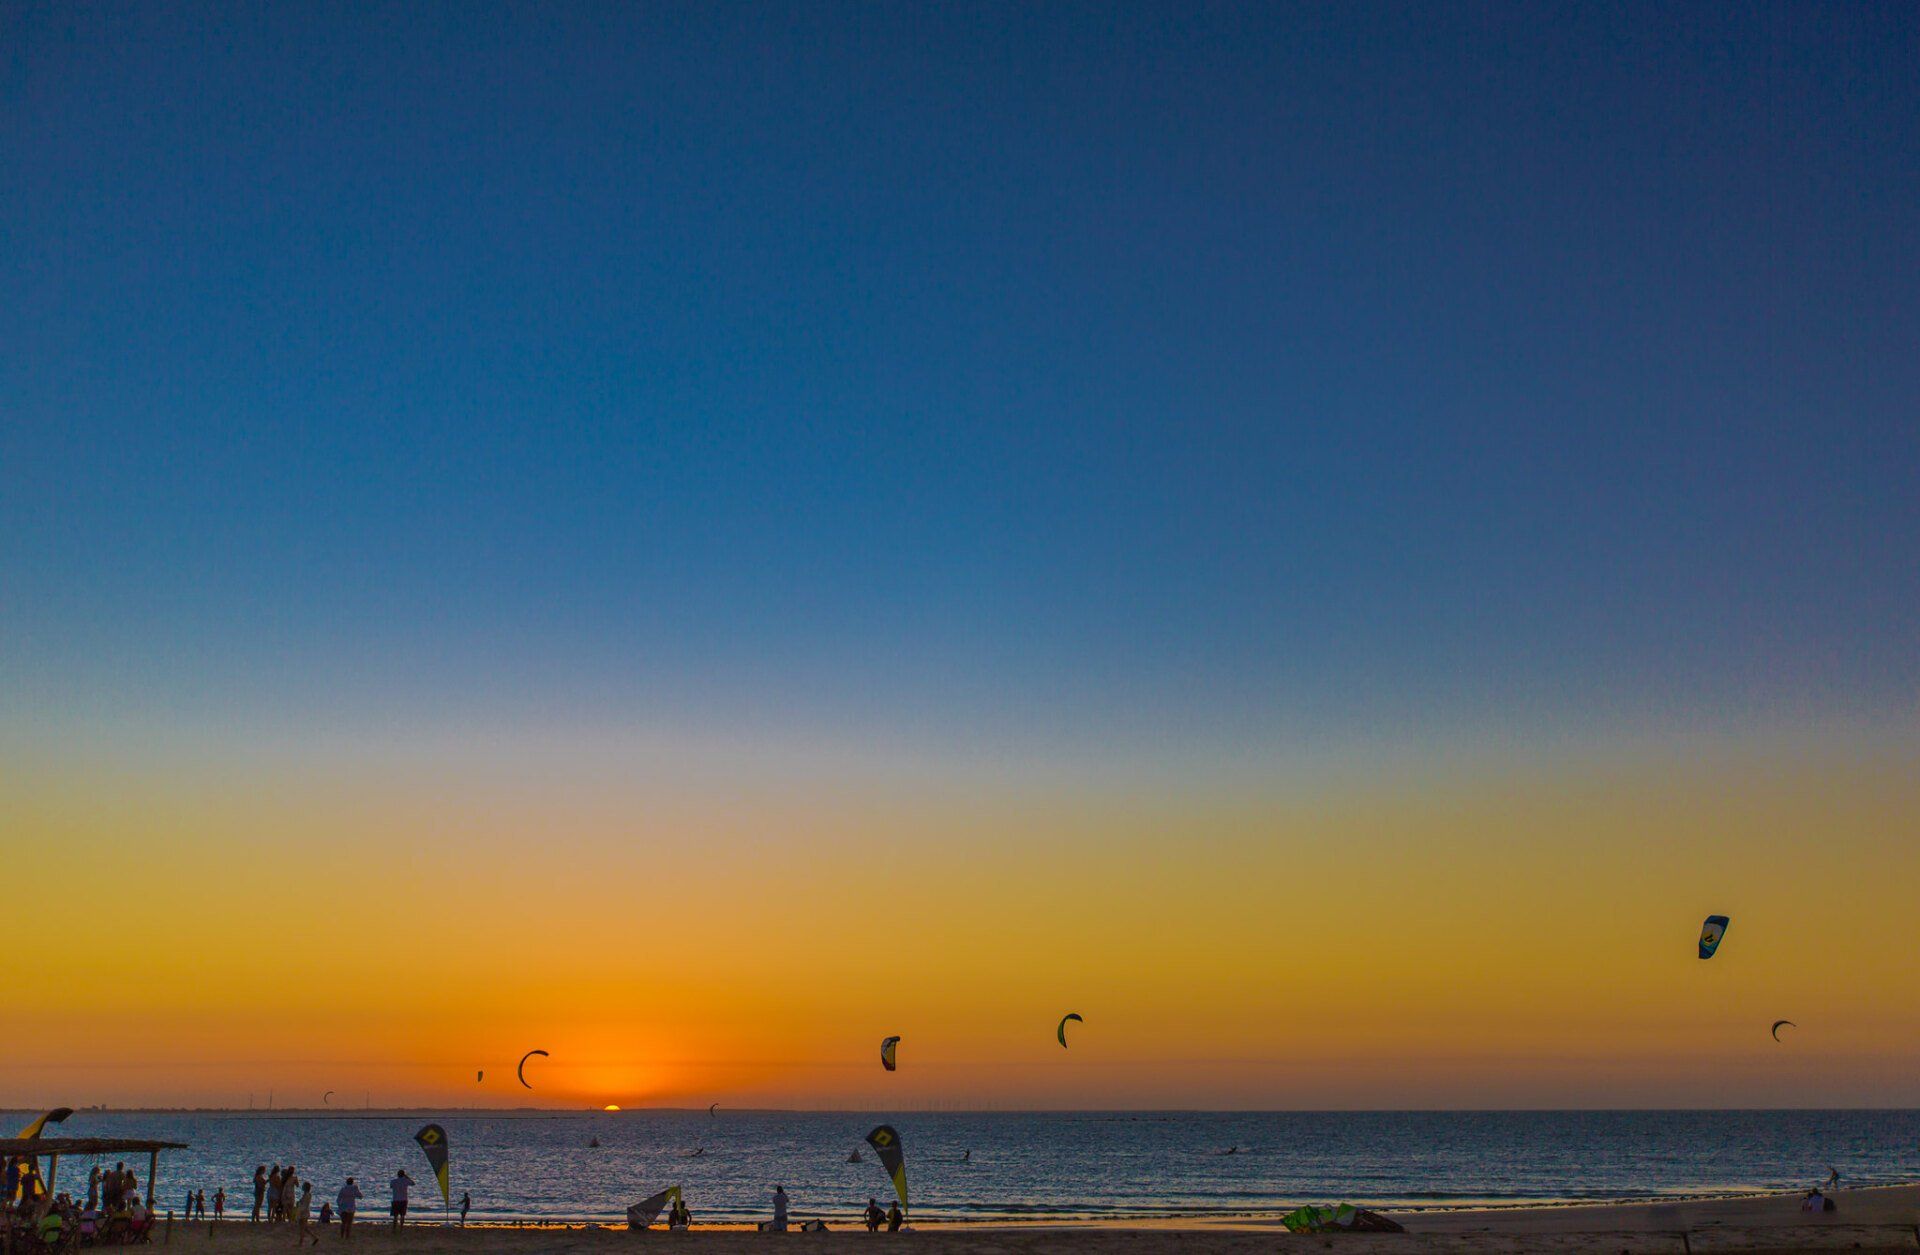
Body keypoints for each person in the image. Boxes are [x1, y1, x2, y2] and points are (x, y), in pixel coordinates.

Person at [290, 1181, 316, 1247]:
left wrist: (298, 1212)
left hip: (304, 1213)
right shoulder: (307, 1195)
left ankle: (300, 1243)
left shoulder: (306, 1195)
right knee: (304, 1227)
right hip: (305, 1212)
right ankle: (314, 1237)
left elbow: (303, 1206)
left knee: (302, 1228)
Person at [336, 1177, 362, 1241]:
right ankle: (347, 1237)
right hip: (351, 1208)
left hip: (343, 1208)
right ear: (352, 1182)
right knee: (349, 1224)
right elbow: (360, 1196)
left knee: (343, 1223)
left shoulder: (343, 1189)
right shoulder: (354, 1188)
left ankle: (342, 1236)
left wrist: (340, 1205)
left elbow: (338, 1199)